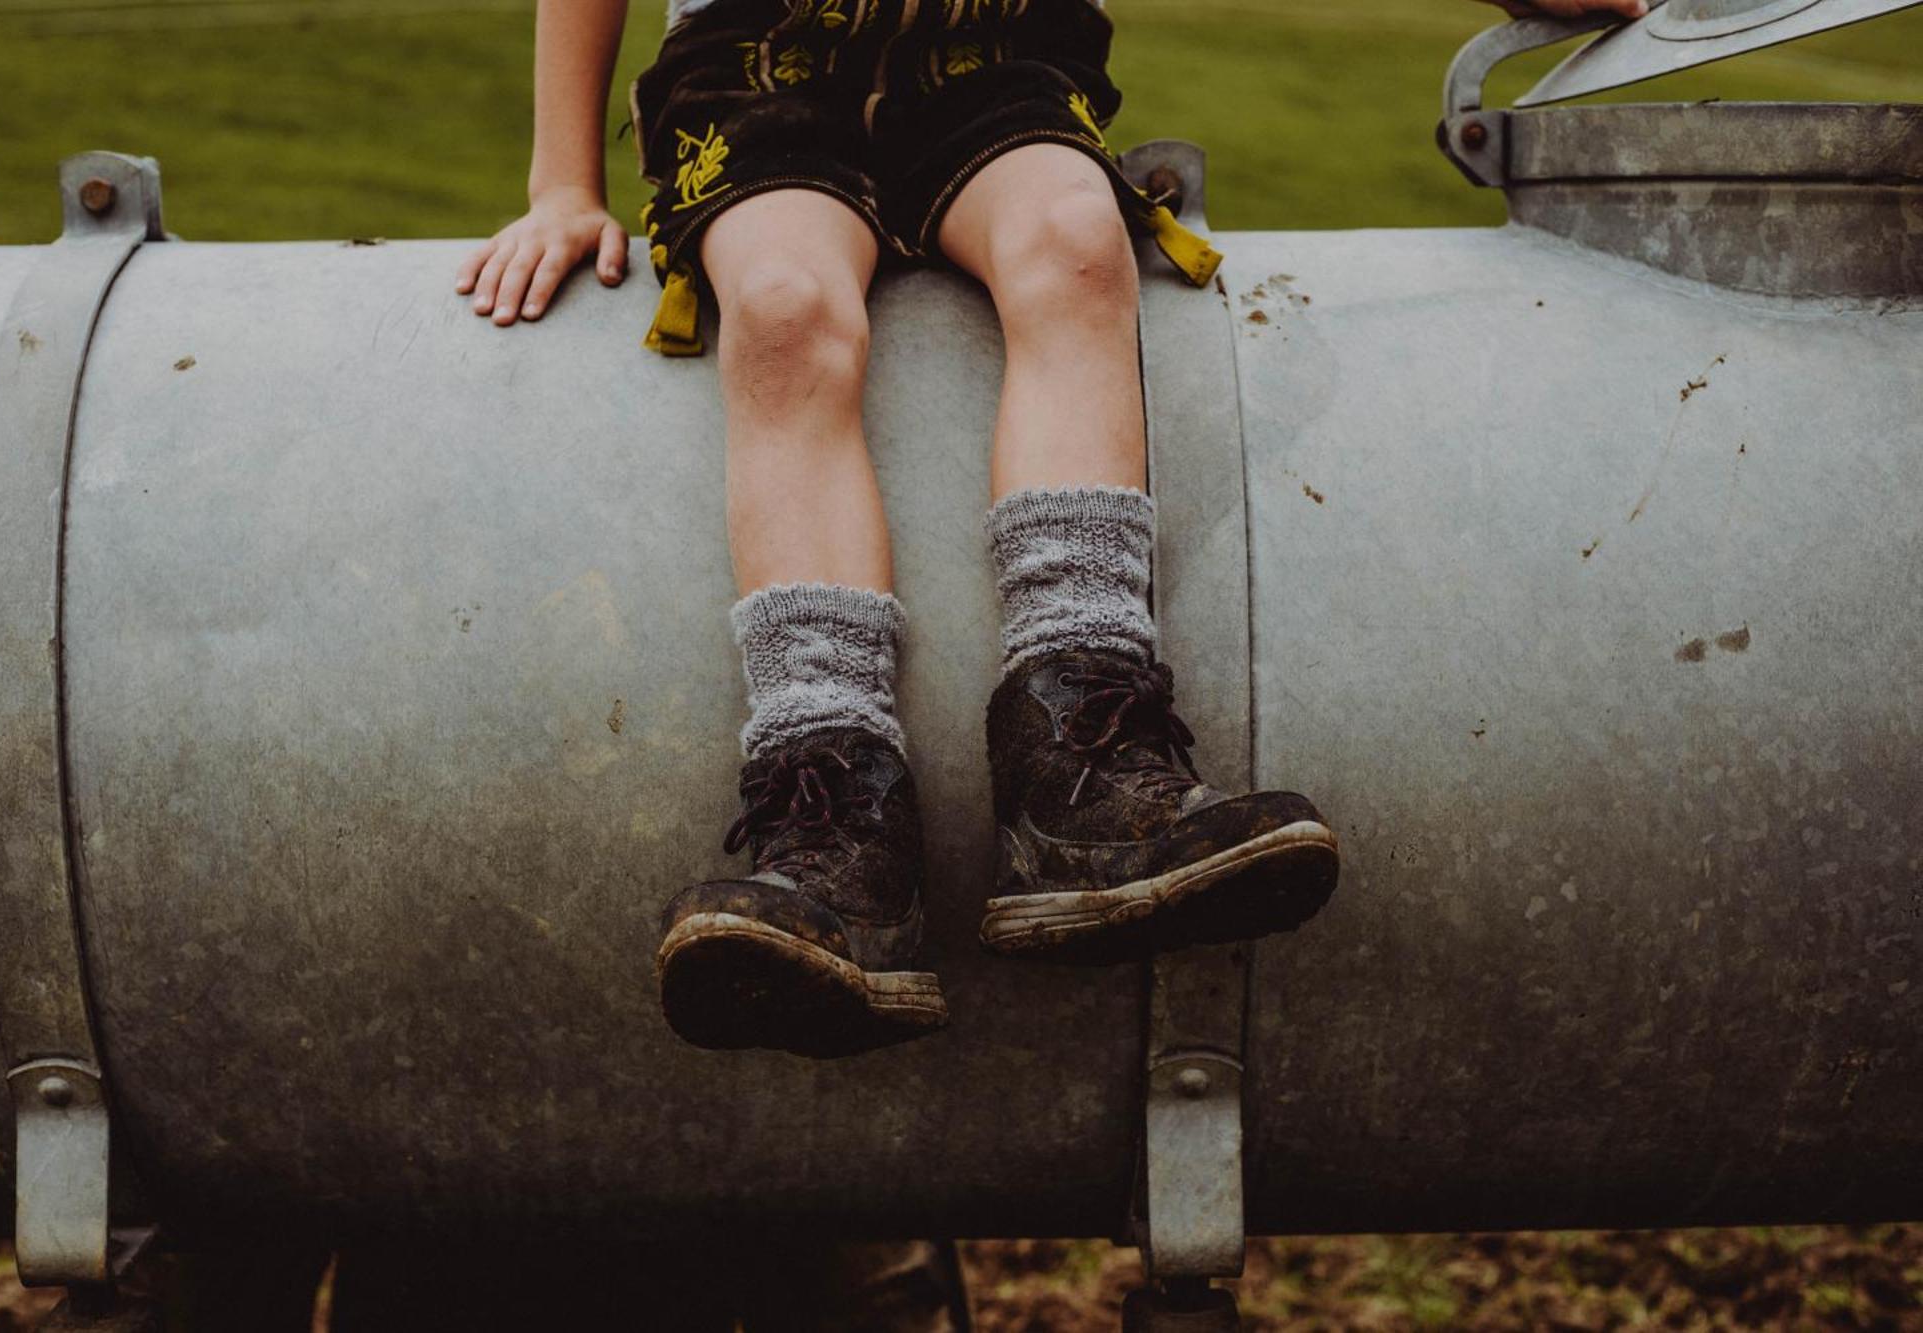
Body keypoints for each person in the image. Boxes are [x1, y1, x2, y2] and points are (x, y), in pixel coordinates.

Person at [456, 0, 1645, 1059]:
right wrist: (563, 184)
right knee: (781, 312)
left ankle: (1077, 758)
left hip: (994, 47)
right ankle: (833, 820)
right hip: (757, 64)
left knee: (1079, 246)